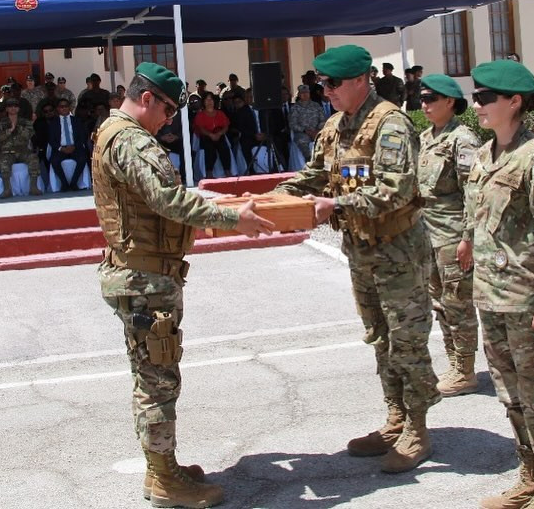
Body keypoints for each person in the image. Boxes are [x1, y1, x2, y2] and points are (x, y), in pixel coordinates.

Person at [93, 62, 273, 508]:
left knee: (154, 372)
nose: (170, 120)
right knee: (157, 379)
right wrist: (233, 217)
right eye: (169, 110)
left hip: (144, 272)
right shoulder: (130, 139)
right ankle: (164, 478)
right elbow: (168, 200)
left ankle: (163, 468)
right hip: (144, 277)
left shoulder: (116, 133)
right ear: (147, 98)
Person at [273, 44, 440, 473]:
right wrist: (277, 197)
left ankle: (418, 428)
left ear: (361, 80)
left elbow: (396, 189)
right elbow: (315, 174)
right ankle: (395, 418)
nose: (325, 90)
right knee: (380, 338)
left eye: (333, 83)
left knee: (407, 341)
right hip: (361, 253)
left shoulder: (390, 125)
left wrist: (336, 207)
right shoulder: (335, 126)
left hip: (398, 254)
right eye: (322, 83)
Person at [465, 60, 534, 509]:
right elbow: (477, 216)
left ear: (514, 102)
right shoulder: (484, 154)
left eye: (486, 97)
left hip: (529, 304)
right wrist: (468, 242)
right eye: (476, 96)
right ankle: (529, 474)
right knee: (511, 396)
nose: (477, 104)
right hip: (490, 298)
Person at [415, 74, 482, 397]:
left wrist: (468, 238)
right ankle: (454, 360)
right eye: (423, 99)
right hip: (429, 234)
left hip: (454, 235)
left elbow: (474, 191)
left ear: (450, 103)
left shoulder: (463, 140)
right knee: (440, 303)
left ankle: (466, 369)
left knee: (459, 303)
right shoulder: (426, 138)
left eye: (431, 99)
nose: (424, 104)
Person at [0, 98, 42, 198]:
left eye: (15, 106)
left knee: (33, 159)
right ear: (6, 109)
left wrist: (18, 128)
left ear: (18, 109)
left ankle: (33, 187)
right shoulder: (1, 123)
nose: (13, 108)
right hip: (7, 152)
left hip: (23, 150)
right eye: (10, 106)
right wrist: (9, 130)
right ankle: (7, 190)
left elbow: (28, 135)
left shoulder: (25, 122)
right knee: (4, 163)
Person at [48, 98, 89, 191]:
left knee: (82, 158)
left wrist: (74, 146)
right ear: (58, 109)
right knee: (54, 161)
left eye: (66, 106)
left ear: (69, 108)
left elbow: (82, 136)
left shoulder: (76, 121)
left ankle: (74, 183)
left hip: (75, 147)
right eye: (61, 107)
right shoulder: (53, 122)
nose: (64, 108)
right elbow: (51, 140)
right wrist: (61, 148)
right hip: (61, 149)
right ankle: (64, 183)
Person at [192, 92, 233, 179]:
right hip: (206, 136)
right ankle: (209, 172)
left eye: (211, 99)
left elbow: (226, 126)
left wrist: (219, 133)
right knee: (209, 148)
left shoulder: (220, 113)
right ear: (203, 102)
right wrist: (210, 135)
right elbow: (200, 128)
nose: (209, 102)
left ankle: (227, 171)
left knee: (224, 147)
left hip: (219, 135)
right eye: (207, 99)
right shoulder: (200, 115)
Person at [288, 84, 325, 162]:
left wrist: (317, 130)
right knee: (302, 141)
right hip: (302, 133)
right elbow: (292, 124)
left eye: (307, 92)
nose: (305, 95)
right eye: (302, 93)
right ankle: (308, 159)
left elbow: (323, 120)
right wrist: (306, 131)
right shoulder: (295, 108)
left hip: (317, 131)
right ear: (299, 94)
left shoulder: (316, 105)